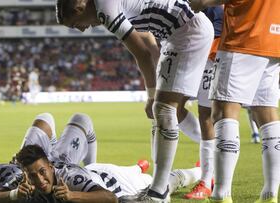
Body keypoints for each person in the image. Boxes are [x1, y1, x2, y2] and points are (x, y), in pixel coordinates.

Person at [56, 1, 213, 202]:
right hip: (176, 34)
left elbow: (142, 53)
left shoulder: (105, 10)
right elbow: (146, 36)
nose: (81, 29)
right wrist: (161, 76)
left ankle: (159, 192)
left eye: (75, 23)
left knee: (163, 109)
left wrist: (151, 94)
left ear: (79, 7)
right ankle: (166, 183)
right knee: (168, 110)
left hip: (188, 32)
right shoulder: (109, 6)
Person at [190, 1, 280, 203]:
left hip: (243, 36)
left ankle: (221, 194)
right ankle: (270, 194)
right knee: (267, 112)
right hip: (274, 39)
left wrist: (195, 3)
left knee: (223, 111)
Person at [0, 112, 98, 203]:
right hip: (54, 167)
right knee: (81, 120)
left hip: (27, 156)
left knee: (44, 119)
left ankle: (49, 150)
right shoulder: (4, 192)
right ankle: (93, 169)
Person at [16, 144, 203, 203]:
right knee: (130, 169)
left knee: (163, 187)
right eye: (33, 175)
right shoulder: (28, 183)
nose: (39, 179)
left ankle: (201, 170)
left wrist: (72, 195)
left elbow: (110, 198)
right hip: (97, 170)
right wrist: (13, 194)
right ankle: (139, 165)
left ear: (49, 167)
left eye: (42, 172)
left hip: (123, 185)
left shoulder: (71, 180)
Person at [183, 5, 224, 200]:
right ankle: (211, 159)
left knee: (207, 116)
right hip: (193, 55)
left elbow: (213, 33)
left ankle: (207, 181)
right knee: (170, 107)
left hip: (210, 58)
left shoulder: (214, 8)